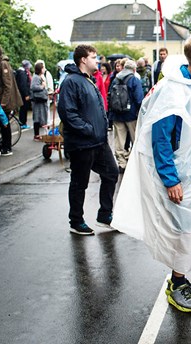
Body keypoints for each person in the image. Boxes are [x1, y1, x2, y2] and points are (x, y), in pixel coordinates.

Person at [111, 31, 191, 313]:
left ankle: (182, 280)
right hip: (180, 175)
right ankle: (176, 286)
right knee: (181, 232)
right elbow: (159, 139)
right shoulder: (172, 91)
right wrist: (170, 179)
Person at [58, 44, 119, 236]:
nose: (98, 61)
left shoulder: (89, 80)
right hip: (82, 142)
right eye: (94, 57)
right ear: (83, 60)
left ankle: (105, 215)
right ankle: (76, 220)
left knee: (111, 173)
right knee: (79, 183)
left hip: (99, 141)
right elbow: (68, 113)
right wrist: (88, 129)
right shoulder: (71, 81)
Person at [0, 44, 22, 156]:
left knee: (5, 123)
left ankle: (7, 147)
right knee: (2, 124)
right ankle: (4, 144)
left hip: (3, 101)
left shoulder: (3, 64)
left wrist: (4, 101)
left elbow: (8, 85)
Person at [109, 59, 143, 174]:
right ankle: (135, 163)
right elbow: (139, 98)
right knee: (135, 139)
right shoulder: (134, 80)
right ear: (134, 69)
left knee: (119, 140)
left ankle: (121, 164)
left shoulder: (115, 79)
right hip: (131, 115)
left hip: (117, 114)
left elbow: (110, 96)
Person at [30, 62, 48, 141]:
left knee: (41, 117)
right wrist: (42, 86)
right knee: (37, 117)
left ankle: (41, 134)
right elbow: (33, 87)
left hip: (41, 100)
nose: (44, 69)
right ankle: (36, 135)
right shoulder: (36, 77)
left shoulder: (39, 76)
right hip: (37, 100)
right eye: (43, 68)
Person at [15, 60, 32, 129]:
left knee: (23, 108)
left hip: (21, 94)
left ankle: (22, 122)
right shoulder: (22, 73)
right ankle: (23, 123)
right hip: (23, 95)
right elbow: (23, 85)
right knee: (23, 109)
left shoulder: (20, 72)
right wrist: (26, 94)